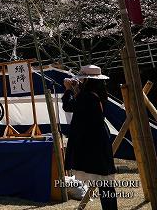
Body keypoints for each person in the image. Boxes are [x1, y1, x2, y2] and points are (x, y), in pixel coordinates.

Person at [62, 65, 117, 210]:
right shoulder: (97, 93)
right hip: (98, 138)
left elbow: (68, 106)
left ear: (87, 80)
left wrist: (68, 90)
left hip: (92, 141)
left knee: (104, 180)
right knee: (105, 179)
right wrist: (77, 89)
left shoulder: (87, 96)